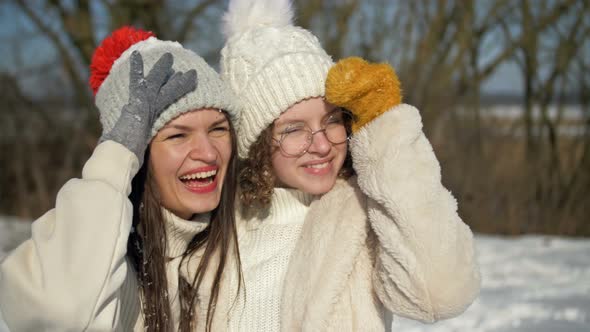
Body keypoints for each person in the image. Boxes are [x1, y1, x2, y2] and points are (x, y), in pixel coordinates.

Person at [216, 0, 482, 330]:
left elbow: (442, 293)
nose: (323, 144)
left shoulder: (363, 213)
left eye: (332, 120)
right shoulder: (217, 229)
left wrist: (386, 133)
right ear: (254, 144)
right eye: (294, 129)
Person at [0, 26, 242, 331]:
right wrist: (113, 161)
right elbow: (56, 311)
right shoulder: (110, 264)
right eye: (178, 135)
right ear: (135, 155)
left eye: (218, 129)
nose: (208, 153)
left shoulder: (240, 240)